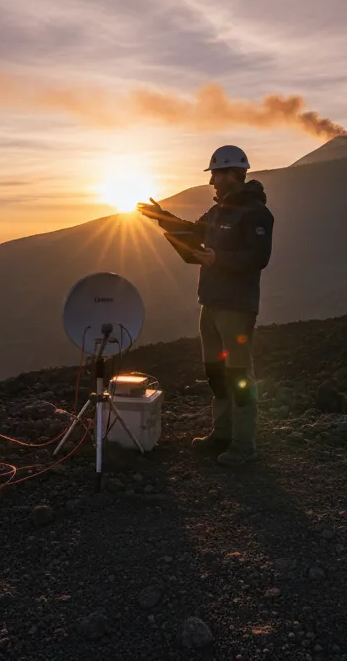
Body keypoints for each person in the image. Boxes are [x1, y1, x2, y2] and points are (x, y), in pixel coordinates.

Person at [138, 145, 274, 466]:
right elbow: (195, 230)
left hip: (236, 306)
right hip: (210, 302)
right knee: (215, 372)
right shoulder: (218, 211)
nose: (212, 181)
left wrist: (219, 259)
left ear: (232, 174)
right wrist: (161, 217)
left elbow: (259, 257)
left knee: (239, 374)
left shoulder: (256, 213)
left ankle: (243, 445)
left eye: (215, 174)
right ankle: (222, 433)